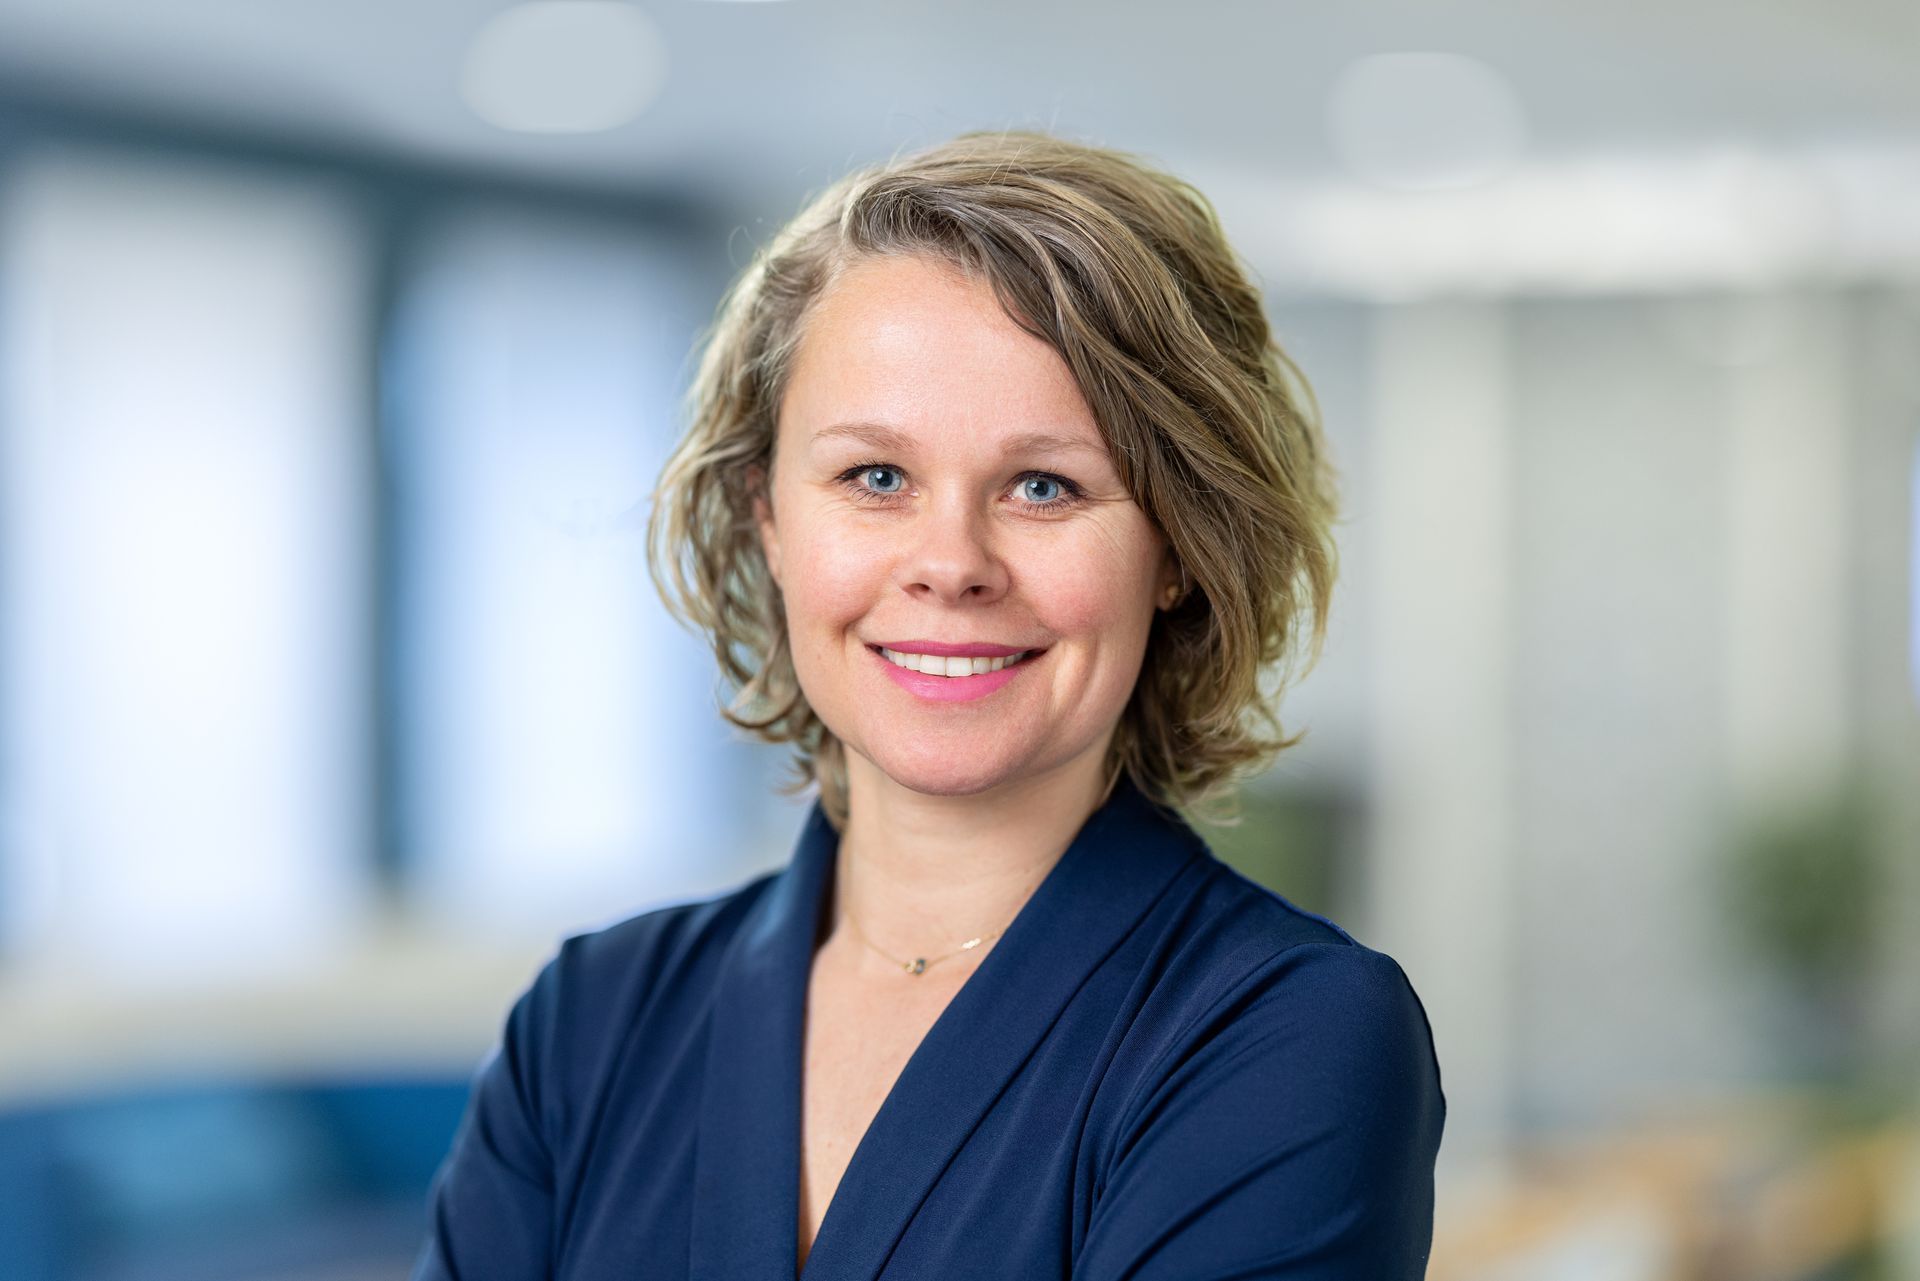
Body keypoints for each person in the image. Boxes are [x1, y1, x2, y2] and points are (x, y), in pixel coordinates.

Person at [411, 129, 1445, 1281]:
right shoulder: (591, 1024)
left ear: (1177, 547)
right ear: (768, 518)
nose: (950, 562)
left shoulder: (1286, 1039)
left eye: (1044, 485)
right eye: (876, 478)